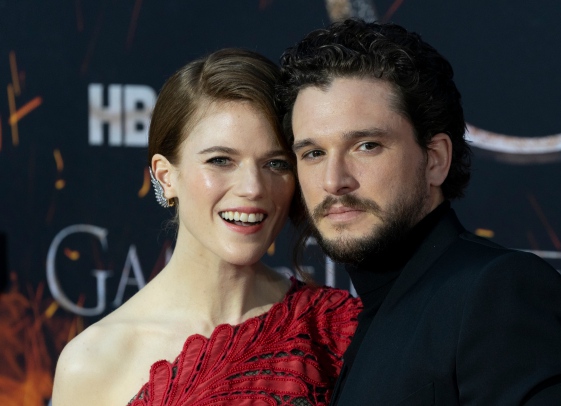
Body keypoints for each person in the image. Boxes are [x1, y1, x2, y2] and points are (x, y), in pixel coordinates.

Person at [278, 19, 561, 405]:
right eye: (313, 153)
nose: (334, 181)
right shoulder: (356, 322)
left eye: (367, 146)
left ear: (435, 159)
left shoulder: (501, 292)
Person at [51, 49, 361, 406]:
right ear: (166, 177)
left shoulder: (336, 330)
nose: (253, 188)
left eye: (276, 163)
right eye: (221, 160)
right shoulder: (92, 364)